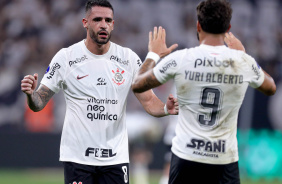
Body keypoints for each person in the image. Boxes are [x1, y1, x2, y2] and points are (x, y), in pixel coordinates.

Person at [20, 0, 178, 184]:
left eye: (108, 20)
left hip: (115, 159)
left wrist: (166, 108)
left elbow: (149, 101)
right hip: (78, 158)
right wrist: (31, 95)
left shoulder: (128, 59)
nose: (103, 24)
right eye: (97, 19)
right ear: (85, 23)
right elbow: (39, 103)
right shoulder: (66, 58)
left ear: (113, 24)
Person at [132, 0, 276, 183]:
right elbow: (271, 87)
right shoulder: (242, 62)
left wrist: (153, 54)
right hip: (224, 159)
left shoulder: (181, 58)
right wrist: (245, 55)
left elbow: (137, 84)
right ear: (228, 27)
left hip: (186, 155)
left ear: (198, 25)